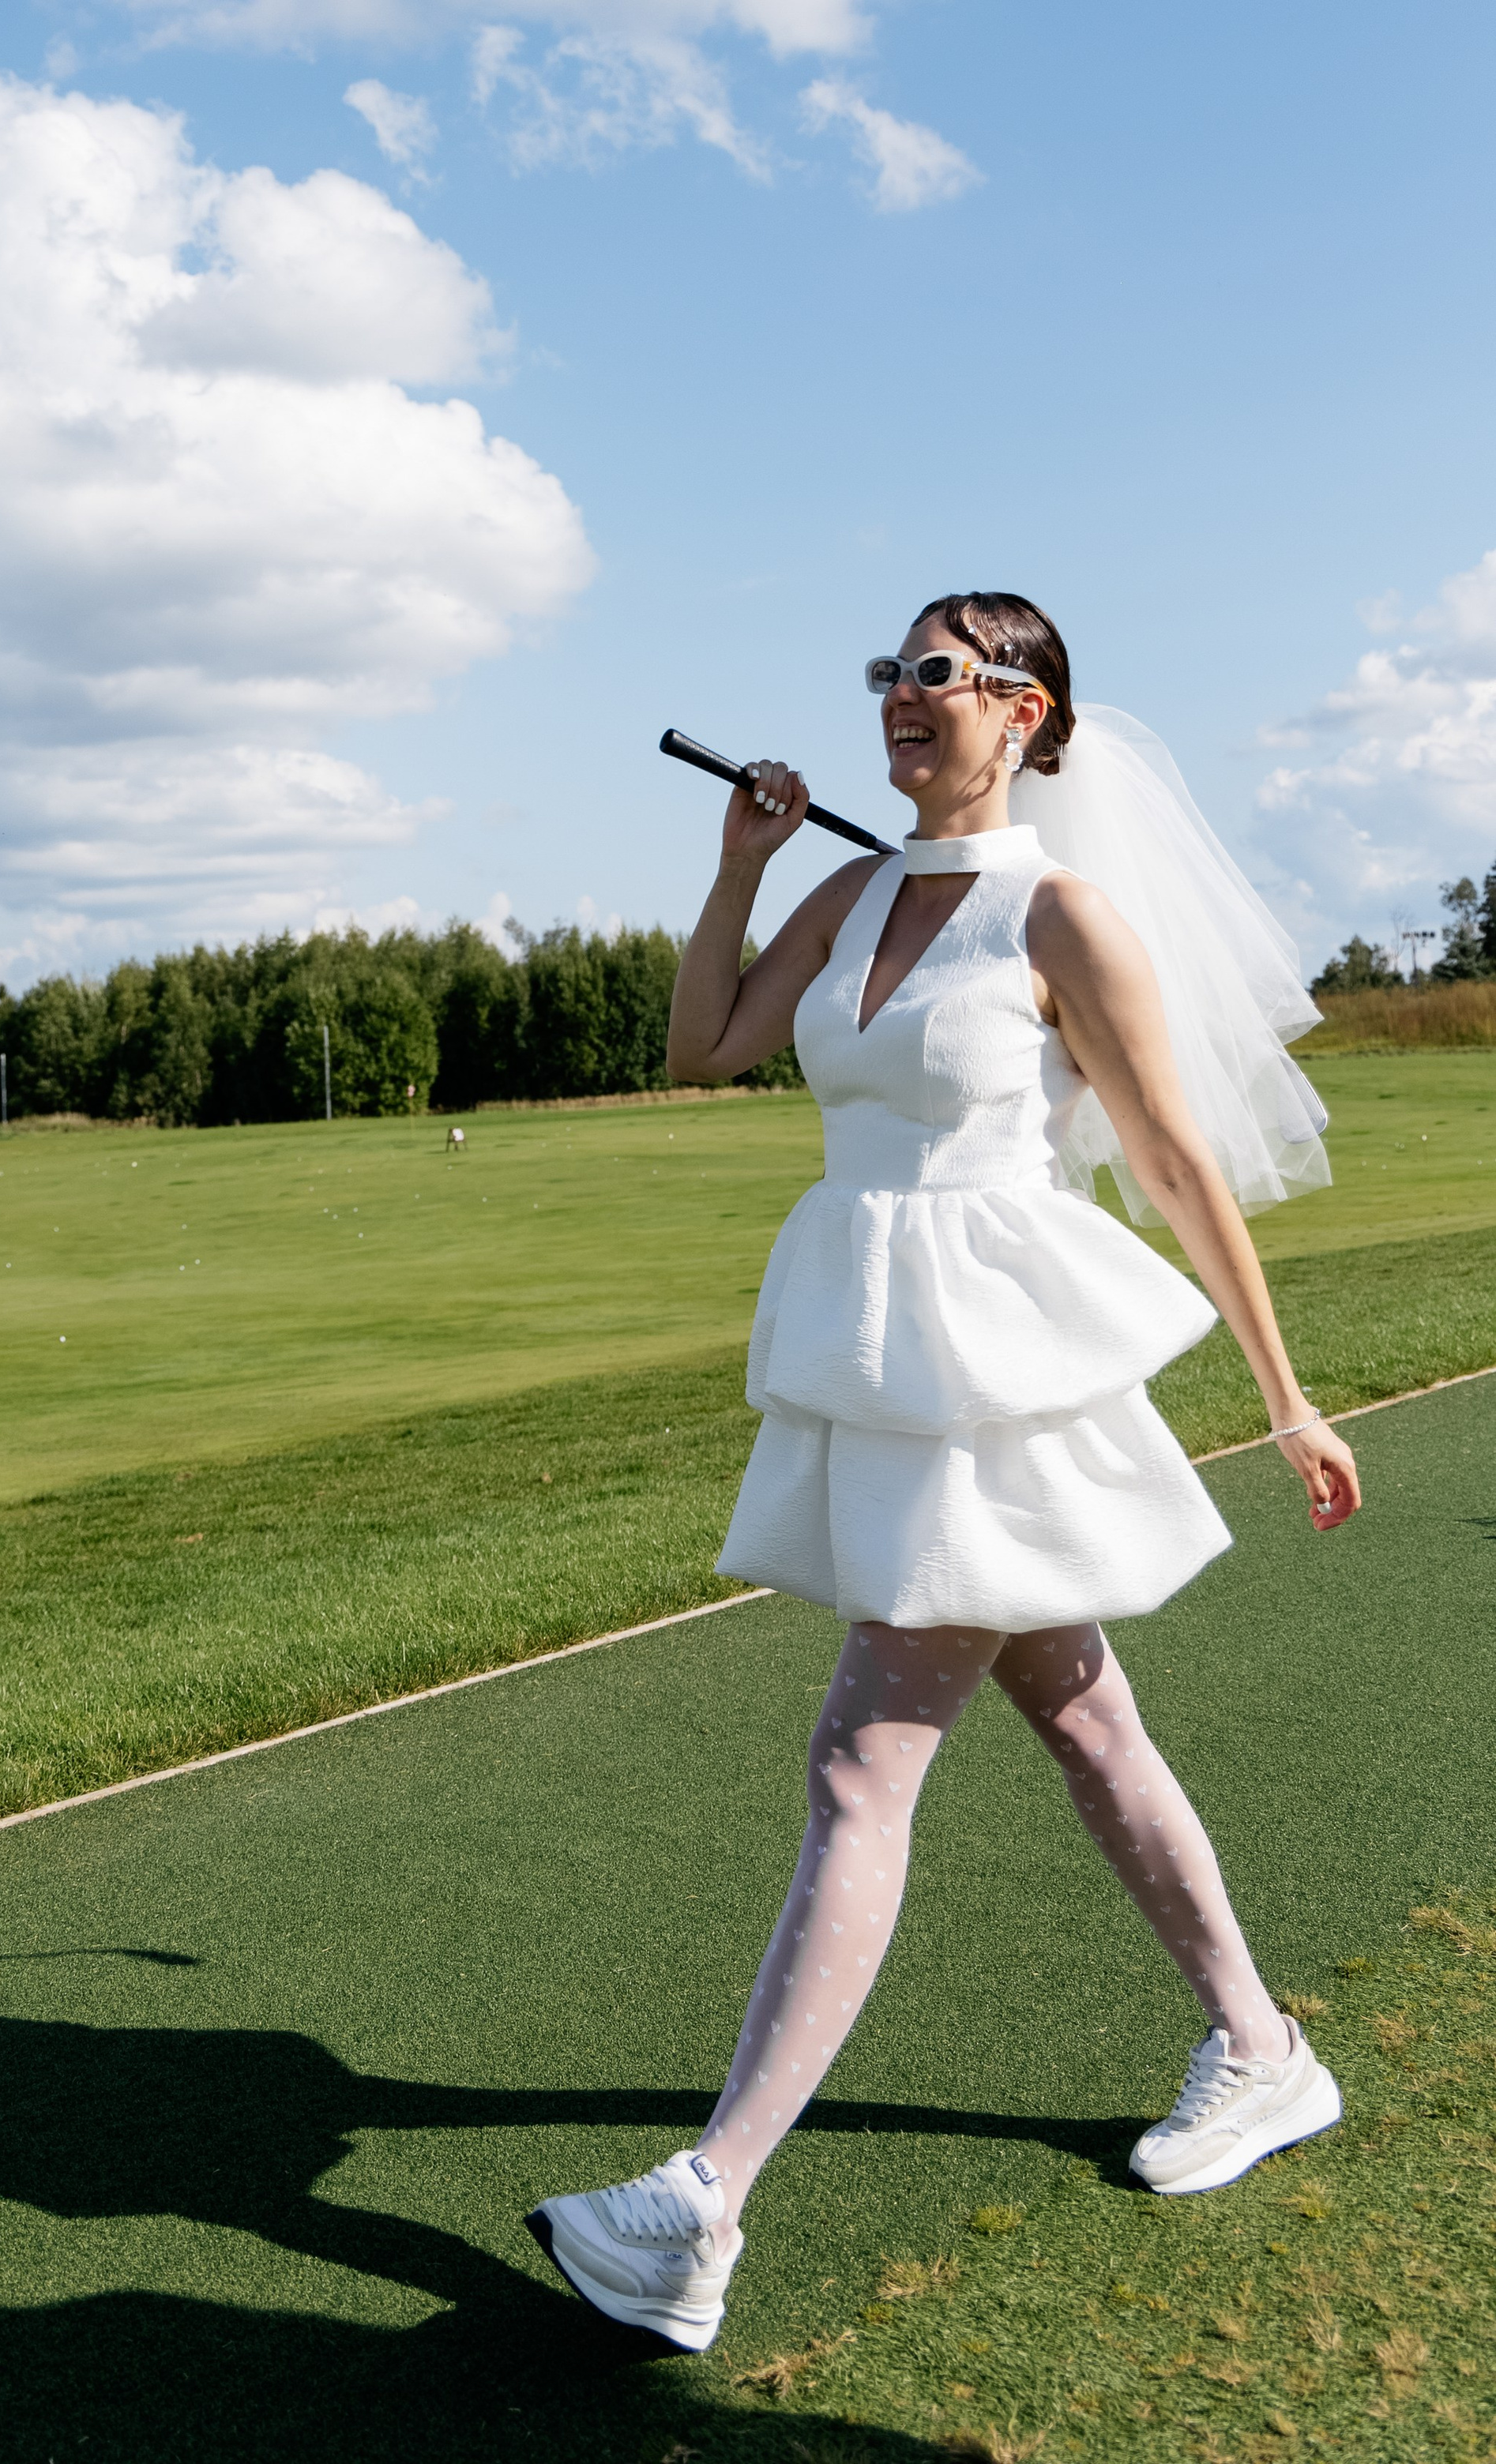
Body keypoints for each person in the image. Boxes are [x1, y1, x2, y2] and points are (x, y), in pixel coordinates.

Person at [526, 592, 1360, 2353]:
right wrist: (738, 866)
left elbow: (1174, 1160)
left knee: (859, 1761)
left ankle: (703, 2205)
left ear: (1023, 714)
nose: (897, 702)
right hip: (877, 1337)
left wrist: (1284, 1395)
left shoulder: (1059, 912)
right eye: (885, 675)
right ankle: (1265, 2050)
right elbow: (707, 1046)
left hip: (996, 1357)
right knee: (1081, 1720)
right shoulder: (847, 887)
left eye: (935, 676)